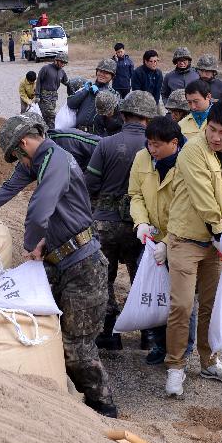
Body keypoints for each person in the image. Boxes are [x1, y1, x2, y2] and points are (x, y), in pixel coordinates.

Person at [0, 114, 117, 418]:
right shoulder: (45, 159)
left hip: (83, 267)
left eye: (17, 157)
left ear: (24, 144)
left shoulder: (54, 158)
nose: (20, 165)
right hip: (63, 260)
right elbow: (18, 190)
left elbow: (39, 211)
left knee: (78, 348)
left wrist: (30, 242)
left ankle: (103, 408)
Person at [163, 100, 222, 397]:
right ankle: (175, 366)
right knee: (183, 306)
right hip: (188, 239)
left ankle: (209, 361)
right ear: (205, 124)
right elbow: (205, 202)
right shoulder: (191, 151)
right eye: (211, 129)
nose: (216, 137)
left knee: (211, 307)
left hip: (217, 243)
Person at [85, 91, 158, 350]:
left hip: (105, 223)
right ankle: (148, 334)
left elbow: (90, 183)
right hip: (142, 226)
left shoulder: (105, 144)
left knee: (105, 277)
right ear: (148, 118)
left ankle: (110, 332)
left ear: (123, 114)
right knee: (142, 276)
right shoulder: (155, 147)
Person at [129, 115, 196, 364]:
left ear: (174, 143)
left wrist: (167, 243)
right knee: (153, 291)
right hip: (151, 239)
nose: (152, 149)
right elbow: (135, 194)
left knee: (181, 297)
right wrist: (141, 222)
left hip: (181, 239)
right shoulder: (142, 158)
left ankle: (183, 348)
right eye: (149, 143)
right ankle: (159, 343)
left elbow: (188, 209)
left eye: (157, 145)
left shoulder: (188, 163)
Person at [0, 114, 101, 211]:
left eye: (17, 156)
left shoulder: (69, 139)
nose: (20, 161)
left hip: (101, 194)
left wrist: (92, 176)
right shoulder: (28, 162)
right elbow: (10, 187)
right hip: (72, 201)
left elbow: (109, 148)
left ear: (23, 143)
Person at [67, 58, 118, 133]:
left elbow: (115, 120)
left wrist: (99, 94)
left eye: (106, 73)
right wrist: (85, 90)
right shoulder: (87, 88)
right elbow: (71, 104)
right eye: (100, 71)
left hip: (97, 135)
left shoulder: (113, 94)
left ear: (112, 76)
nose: (102, 74)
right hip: (79, 133)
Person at [35, 51, 70, 128]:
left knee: (47, 118)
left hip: (53, 97)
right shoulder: (46, 68)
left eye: (65, 63)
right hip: (44, 96)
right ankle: (52, 132)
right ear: (56, 60)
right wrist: (37, 95)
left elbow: (67, 82)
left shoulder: (62, 72)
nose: (63, 65)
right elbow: (39, 81)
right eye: (62, 62)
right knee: (51, 116)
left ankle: (46, 133)